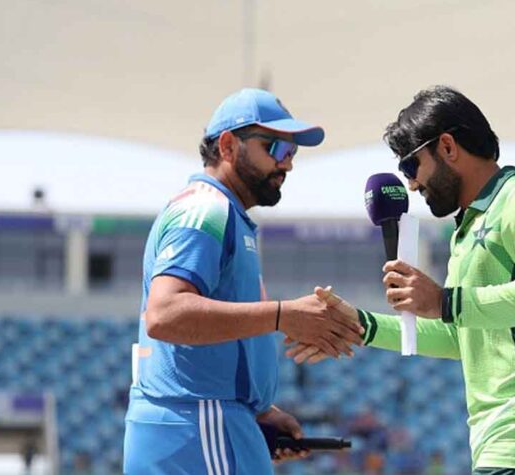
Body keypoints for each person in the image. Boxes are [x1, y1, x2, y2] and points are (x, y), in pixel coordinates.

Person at [289, 86, 515, 474]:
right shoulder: (466, 231)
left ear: (447, 147)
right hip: (506, 440)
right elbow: (457, 335)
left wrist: (445, 302)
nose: (411, 185)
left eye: (411, 166)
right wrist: (361, 325)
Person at [123, 88, 364, 475]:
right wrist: (284, 315)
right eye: (275, 148)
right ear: (228, 146)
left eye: (292, 152)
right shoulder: (206, 210)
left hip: (208, 421)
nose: (287, 164)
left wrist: (257, 411)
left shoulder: (224, 213)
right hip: (200, 422)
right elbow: (165, 314)